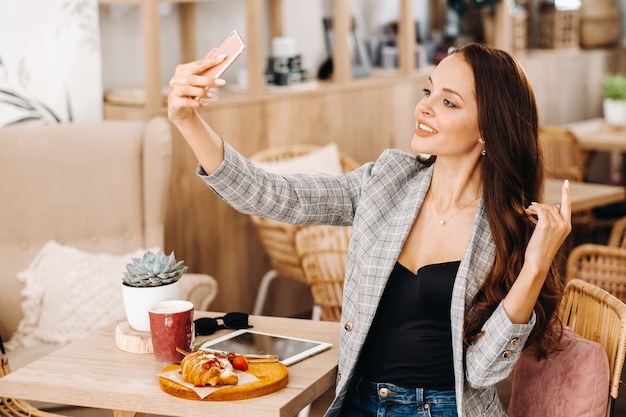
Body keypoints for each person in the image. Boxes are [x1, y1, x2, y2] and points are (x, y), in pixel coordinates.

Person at [168, 42, 571, 417]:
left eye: (448, 102)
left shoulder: (510, 229)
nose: (425, 108)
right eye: (427, 91)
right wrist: (188, 120)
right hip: (360, 402)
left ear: (488, 128)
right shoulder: (388, 181)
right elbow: (273, 195)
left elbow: (483, 374)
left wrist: (535, 268)